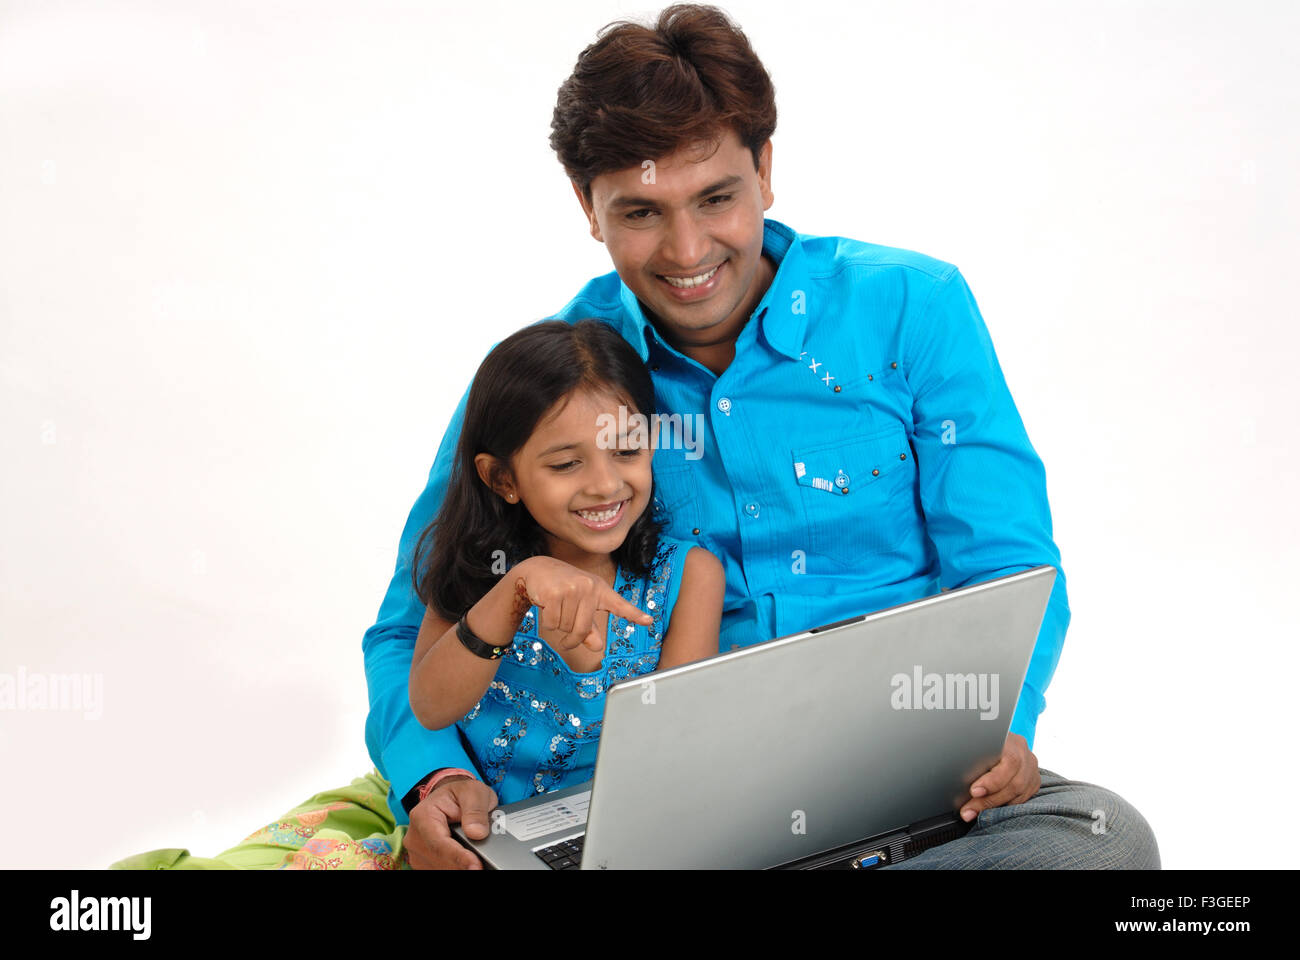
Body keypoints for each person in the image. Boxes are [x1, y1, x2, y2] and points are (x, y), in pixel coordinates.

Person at [374, 3, 1159, 870]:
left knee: (1102, 843)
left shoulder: (912, 310)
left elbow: (1011, 565)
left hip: (898, 773)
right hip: (666, 811)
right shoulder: (555, 383)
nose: (686, 249)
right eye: (640, 212)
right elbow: (411, 625)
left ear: (766, 170)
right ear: (586, 208)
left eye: (717, 198)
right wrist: (434, 776)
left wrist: (1001, 731)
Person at [405, 319, 723, 805]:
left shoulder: (690, 576)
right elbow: (431, 706)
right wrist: (515, 590)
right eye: (565, 464)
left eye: (626, 450)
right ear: (501, 478)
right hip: (495, 836)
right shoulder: (476, 570)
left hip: (630, 823)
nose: (604, 484)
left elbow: (674, 743)